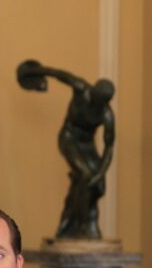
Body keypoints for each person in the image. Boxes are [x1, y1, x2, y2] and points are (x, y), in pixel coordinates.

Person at [17, 59, 115, 239]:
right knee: (86, 176)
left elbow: (109, 149)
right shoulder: (81, 89)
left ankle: (73, 224)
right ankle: (85, 223)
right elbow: (58, 73)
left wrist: (100, 174)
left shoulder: (106, 115)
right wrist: (36, 73)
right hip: (69, 138)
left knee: (97, 185)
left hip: (87, 145)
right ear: (93, 93)